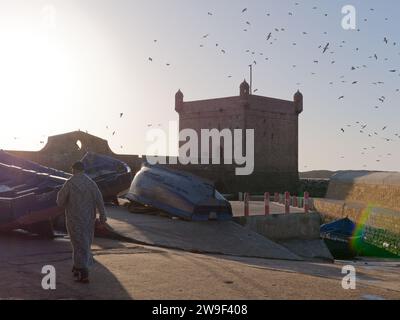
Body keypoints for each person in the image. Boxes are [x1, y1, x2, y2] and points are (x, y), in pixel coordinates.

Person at [56, 161, 107, 283]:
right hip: (88, 219)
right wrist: (103, 216)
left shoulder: (69, 183)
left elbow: (60, 201)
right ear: (83, 170)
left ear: (73, 169)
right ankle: (77, 266)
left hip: (74, 218)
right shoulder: (91, 183)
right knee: (85, 242)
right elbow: (99, 199)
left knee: (77, 243)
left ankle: (82, 271)